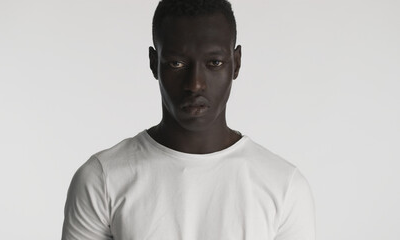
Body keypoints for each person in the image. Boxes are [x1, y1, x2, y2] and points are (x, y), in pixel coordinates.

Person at [61, 0, 316, 239]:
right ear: (153, 63)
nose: (195, 84)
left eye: (214, 62)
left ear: (236, 63)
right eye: (176, 63)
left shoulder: (284, 187)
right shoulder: (102, 178)